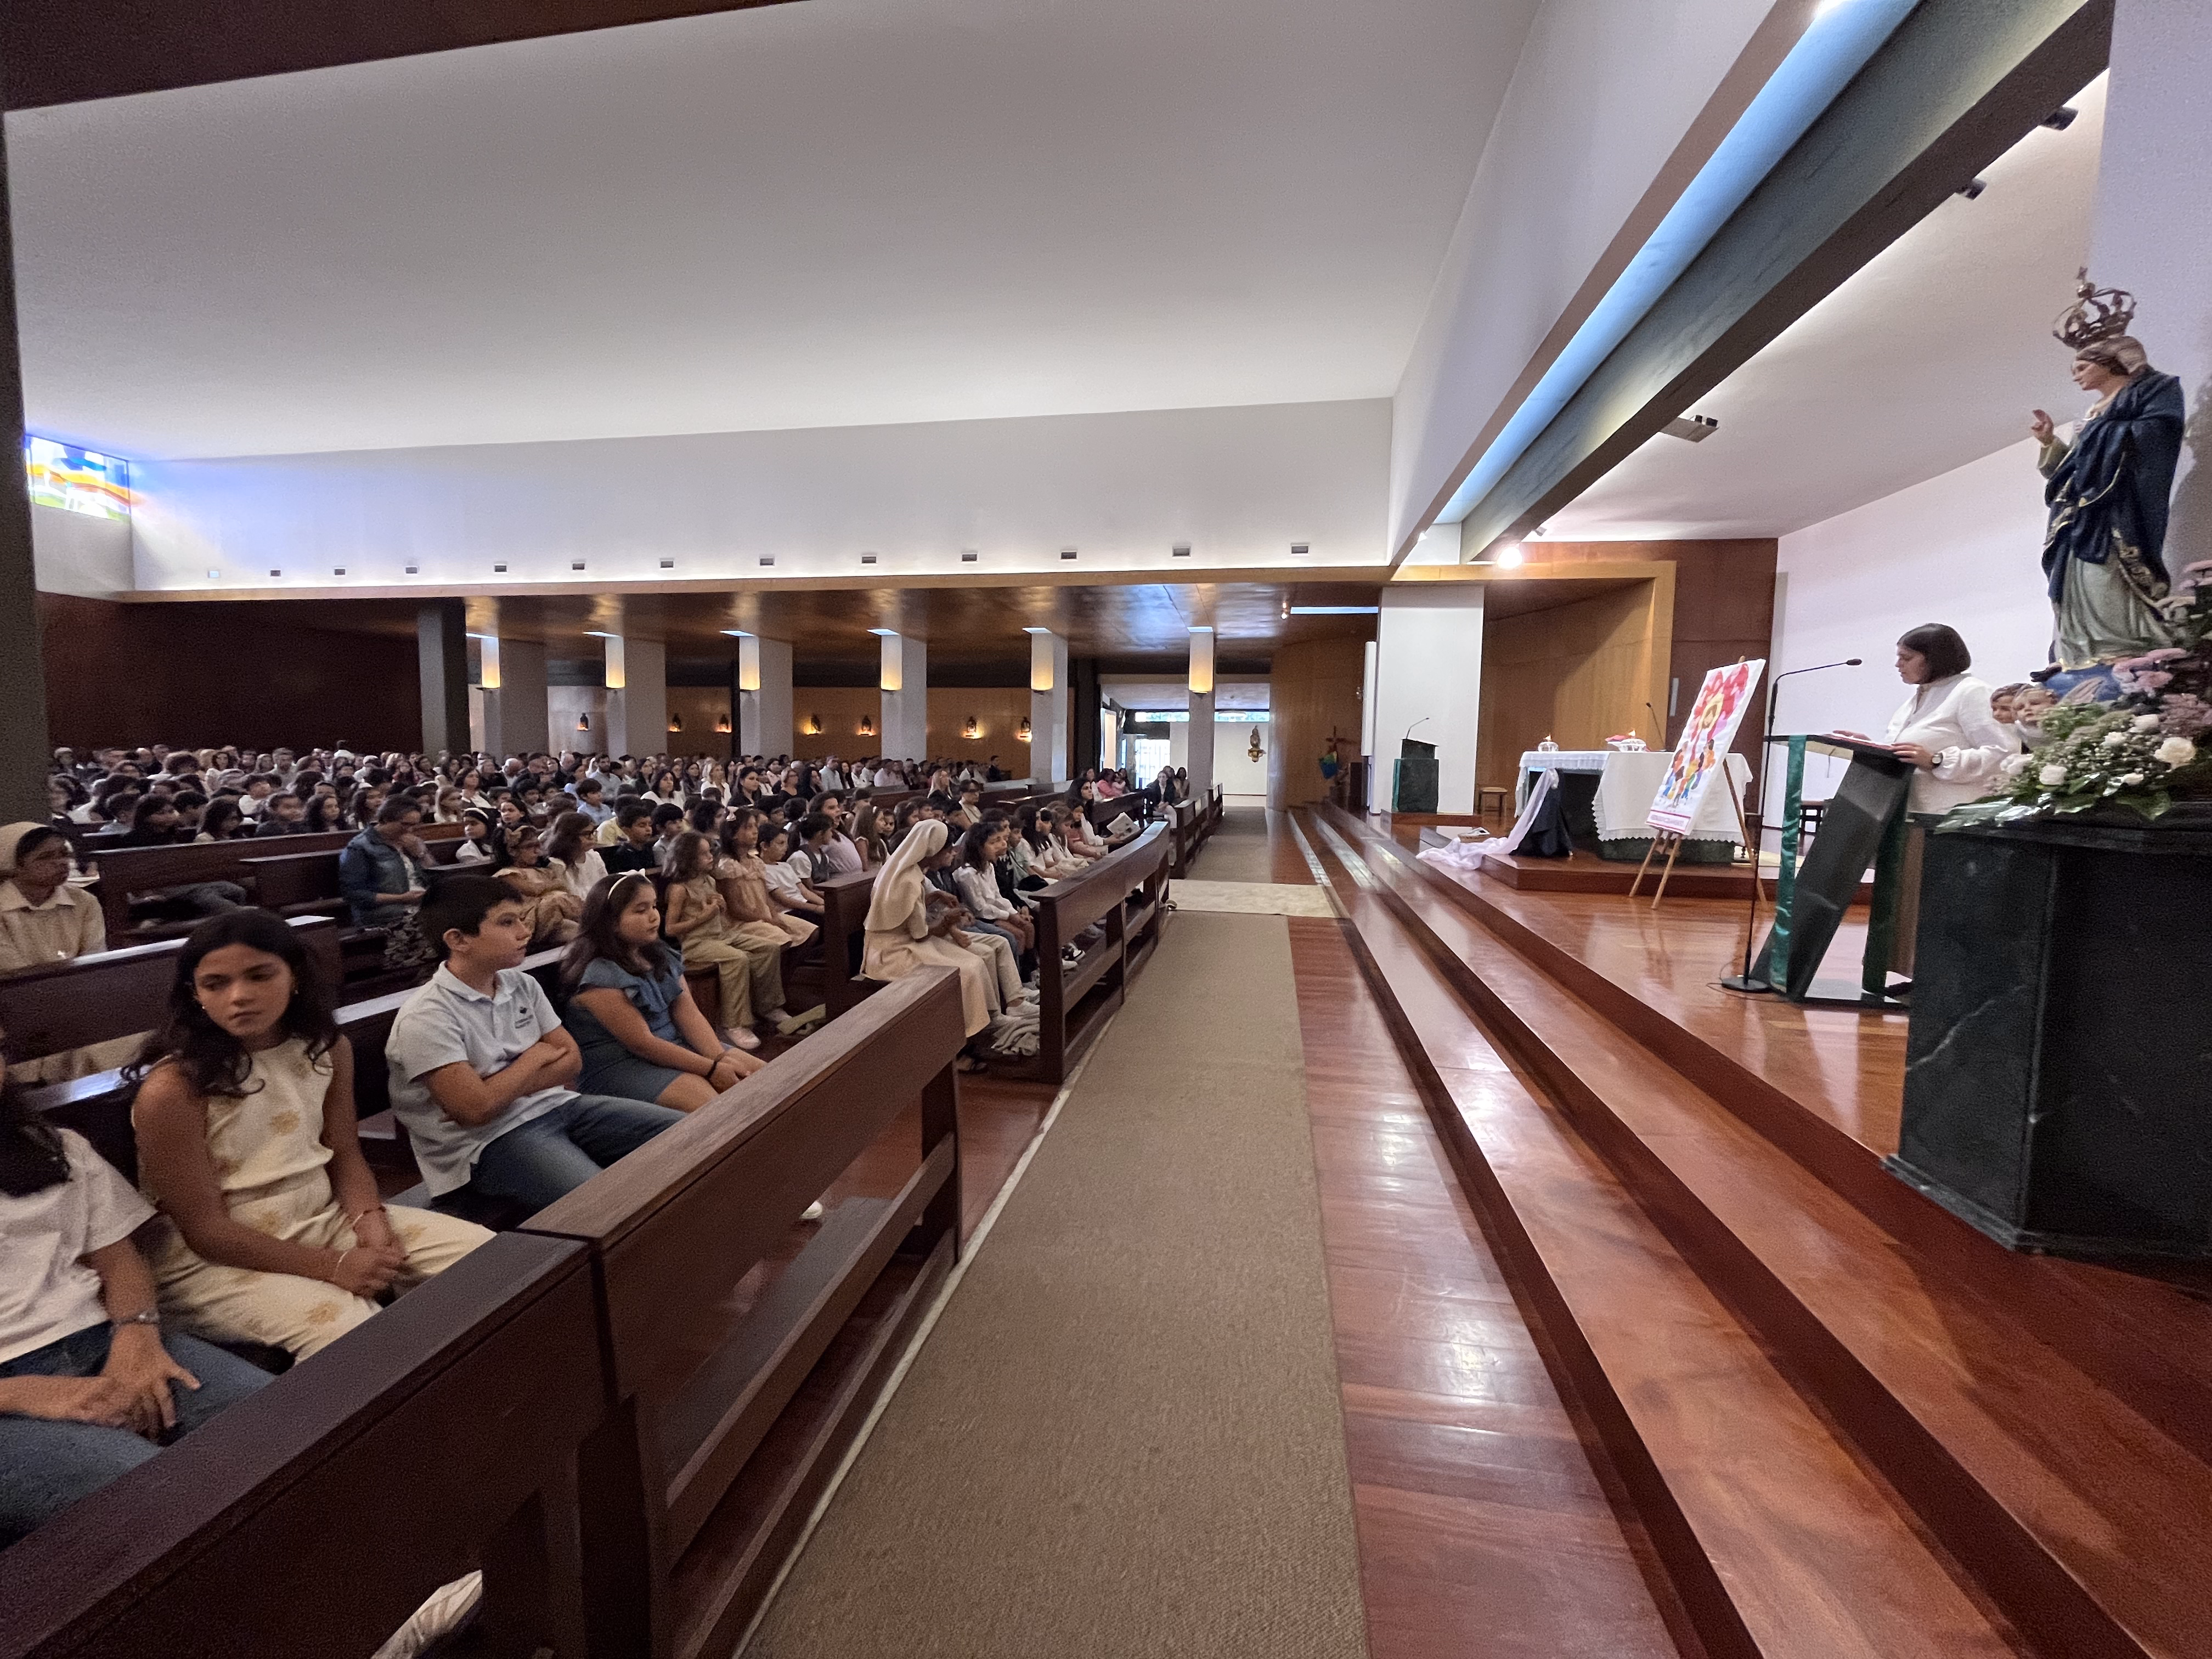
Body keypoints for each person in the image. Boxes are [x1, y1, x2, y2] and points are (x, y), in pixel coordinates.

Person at [127, 912, 492, 1359]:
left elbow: (346, 1156)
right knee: (354, 1332)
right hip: (215, 1259)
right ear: (195, 994)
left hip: (321, 1219)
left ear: (295, 975)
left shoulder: (326, 1049)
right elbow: (206, 1232)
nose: (238, 997)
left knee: (486, 1259)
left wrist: (371, 1223)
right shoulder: (175, 1088)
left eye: (260, 976)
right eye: (215, 984)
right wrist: (334, 1266)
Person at [0, 1058, 273, 1547]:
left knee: (285, 1424)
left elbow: (119, 1261)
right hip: (7, 1401)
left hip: (102, 1340)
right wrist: (25, 1394)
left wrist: (136, 1335)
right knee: (165, 1501)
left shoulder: (53, 1148)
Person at [383, 877, 686, 1213]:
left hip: (558, 1105)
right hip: (487, 1144)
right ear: (458, 939)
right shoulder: (426, 1017)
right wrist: (535, 1058)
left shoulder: (521, 984)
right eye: (507, 922)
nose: (524, 932)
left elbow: (572, 1061)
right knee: (603, 1205)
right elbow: (475, 1112)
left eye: (522, 919)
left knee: (687, 1133)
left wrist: (498, 1087)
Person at [1834, 623, 2017, 980]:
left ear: (1933, 658)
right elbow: (1911, 752)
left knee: (1939, 906)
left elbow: (2003, 753)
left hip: (1948, 819)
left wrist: (1938, 761)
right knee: (1911, 907)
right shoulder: (1920, 697)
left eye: (1907, 657)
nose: (1898, 665)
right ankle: (1921, 981)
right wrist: (1871, 746)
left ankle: (1940, 983)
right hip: (1910, 813)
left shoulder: (1970, 692)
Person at [2032, 296, 2187, 670]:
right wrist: (2051, 444)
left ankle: (2124, 649)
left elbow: (2159, 434)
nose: (2076, 375)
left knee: (2105, 580)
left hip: (2117, 513)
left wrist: (2102, 433)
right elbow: (2074, 470)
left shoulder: (2154, 390)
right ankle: (2082, 654)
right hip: (2078, 516)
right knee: (2075, 581)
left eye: (2082, 366)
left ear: (2111, 364)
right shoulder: (2094, 413)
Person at [559, 874, 765, 1110]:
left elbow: (688, 1013)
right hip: (623, 1066)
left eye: (654, 906)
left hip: (674, 1046)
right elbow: (643, 1044)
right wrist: (711, 1069)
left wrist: (720, 1058)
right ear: (612, 922)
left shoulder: (658, 954)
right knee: (716, 1109)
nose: (654, 916)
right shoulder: (599, 976)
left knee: (765, 1079)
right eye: (640, 910)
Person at [661, 831, 821, 1046]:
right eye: (704, 854)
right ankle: (734, 1024)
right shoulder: (679, 889)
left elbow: (719, 914)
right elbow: (671, 929)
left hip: (722, 935)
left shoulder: (708, 879)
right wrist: (705, 916)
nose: (711, 857)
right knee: (738, 959)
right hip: (697, 944)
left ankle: (768, 1006)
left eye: (710, 852)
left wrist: (721, 907)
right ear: (687, 858)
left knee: (768, 948)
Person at [861, 820, 995, 1043]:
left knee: (977, 960)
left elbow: (905, 909)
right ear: (931, 850)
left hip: (903, 941)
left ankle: (987, 1024)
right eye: (946, 850)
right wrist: (946, 923)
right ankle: (962, 1042)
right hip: (892, 952)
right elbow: (920, 934)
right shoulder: (907, 881)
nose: (949, 854)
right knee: (967, 970)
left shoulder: (906, 869)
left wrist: (935, 896)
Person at [493, 823, 582, 947]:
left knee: (574, 927)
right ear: (512, 850)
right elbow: (534, 890)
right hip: (532, 920)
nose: (537, 852)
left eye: (538, 846)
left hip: (557, 916)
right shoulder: (507, 875)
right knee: (557, 900)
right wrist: (555, 885)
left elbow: (562, 887)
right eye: (530, 847)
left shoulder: (542, 871)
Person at [545, 811, 610, 903]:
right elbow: (570, 897)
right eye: (586, 834)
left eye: (593, 832)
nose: (592, 837)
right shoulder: (558, 864)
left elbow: (605, 886)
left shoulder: (594, 856)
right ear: (569, 837)